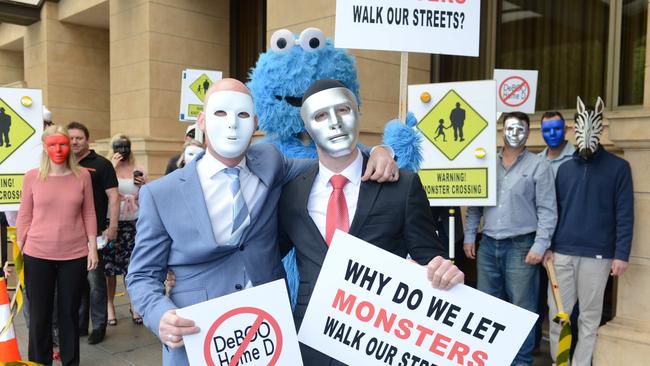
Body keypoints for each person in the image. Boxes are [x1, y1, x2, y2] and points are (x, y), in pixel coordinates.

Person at [125, 78, 398, 366]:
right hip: (198, 337)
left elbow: (332, 161)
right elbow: (142, 275)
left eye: (242, 115)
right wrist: (161, 316)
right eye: (220, 113)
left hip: (268, 336)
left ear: (255, 123)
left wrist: (380, 151)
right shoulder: (161, 194)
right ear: (202, 121)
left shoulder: (271, 161)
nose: (232, 124)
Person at [278, 79, 464, 365]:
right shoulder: (291, 191)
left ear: (357, 112)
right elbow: (262, 254)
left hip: (377, 343)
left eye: (343, 109)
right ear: (306, 127)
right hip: (309, 341)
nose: (335, 123)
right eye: (320, 116)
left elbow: (431, 256)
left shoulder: (403, 186)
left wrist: (446, 273)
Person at [544, 97, 634, 366]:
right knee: (559, 315)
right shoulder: (565, 169)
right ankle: (561, 363)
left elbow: (625, 214)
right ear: (573, 129)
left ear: (600, 128)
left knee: (589, 318)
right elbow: (554, 212)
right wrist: (548, 246)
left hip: (598, 256)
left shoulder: (619, 168)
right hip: (561, 255)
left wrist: (621, 254)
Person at [463, 111, 557, 366]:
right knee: (487, 307)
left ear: (528, 133)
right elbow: (475, 204)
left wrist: (540, 245)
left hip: (522, 247)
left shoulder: (540, 165)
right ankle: (491, 358)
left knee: (522, 310)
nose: (515, 134)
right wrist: (470, 235)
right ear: (502, 131)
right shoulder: (486, 163)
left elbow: (547, 210)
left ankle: (520, 361)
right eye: (510, 129)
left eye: (521, 129)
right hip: (488, 244)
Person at [15, 125, 99, 365]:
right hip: (37, 253)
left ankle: (70, 361)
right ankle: (39, 362)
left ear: (69, 146)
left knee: (69, 314)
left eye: (62, 144)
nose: (58, 149)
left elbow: (89, 212)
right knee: (39, 315)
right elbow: (24, 215)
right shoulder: (32, 176)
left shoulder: (83, 175)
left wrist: (92, 247)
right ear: (45, 147)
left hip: (73, 255)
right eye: (52, 145)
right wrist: (17, 250)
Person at [67, 121, 119, 345]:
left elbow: (114, 197)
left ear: (87, 139)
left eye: (78, 138)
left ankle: (98, 325)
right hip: (68, 234)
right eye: (70, 138)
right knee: (75, 281)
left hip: (94, 233)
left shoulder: (102, 164)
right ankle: (80, 325)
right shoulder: (63, 163)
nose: (74, 142)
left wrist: (113, 226)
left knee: (96, 281)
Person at [105, 134, 146, 326]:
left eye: (125, 147)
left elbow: (145, 193)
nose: (122, 151)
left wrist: (143, 185)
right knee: (110, 268)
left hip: (133, 222)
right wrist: (110, 167)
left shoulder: (137, 170)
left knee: (132, 266)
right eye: (118, 147)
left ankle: (135, 304)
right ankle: (109, 305)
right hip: (112, 221)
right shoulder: (107, 168)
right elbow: (100, 189)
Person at [539, 111, 575, 176]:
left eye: (557, 129)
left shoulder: (578, 158)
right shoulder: (535, 161)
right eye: (547, 130)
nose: (552, 134)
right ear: (541, 132)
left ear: (565, 129)